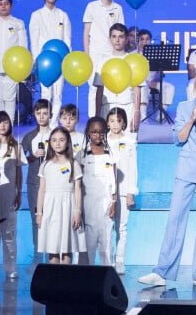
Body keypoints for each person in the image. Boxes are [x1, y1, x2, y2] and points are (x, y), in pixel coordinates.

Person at [138, 70, 196, 287]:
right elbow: (178, 138)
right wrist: (192, 119)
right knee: (175, 219)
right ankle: (162, 272)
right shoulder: (184, 108)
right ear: (195, 87)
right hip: (187, 167)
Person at [0, 111, 27, 280]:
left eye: (6, 122)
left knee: (9, 236)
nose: (3, 125)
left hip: (10, 195)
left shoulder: (16, 147)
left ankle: (11, 268)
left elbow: (19, 172)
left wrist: (18, 193)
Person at [36, 127, 85, 264]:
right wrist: (39, 213)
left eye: (61, 140)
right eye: (54, 140)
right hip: (50, 208)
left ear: (67, 142)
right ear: (50, 143)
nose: (57, 143)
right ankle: (55, 281)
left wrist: (77, 212)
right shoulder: (45, 165)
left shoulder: (74, 164)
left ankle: (66, 280)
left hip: (68, 207)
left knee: (67, 245)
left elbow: (78, 190)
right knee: (53, 247)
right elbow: (41, 190)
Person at [29, 0, 72, 127]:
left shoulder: (63, 15)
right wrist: (36, 58)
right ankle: (43, 124)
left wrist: (67, 59)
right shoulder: (37, 15)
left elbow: (67, 39)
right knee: (46, 94)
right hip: (45, 61)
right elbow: (34, 40)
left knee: (58, 94)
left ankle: (53, 124)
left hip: (60, 60)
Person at [82, 0, 125, 117]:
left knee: (113, 86)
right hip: (95, 52)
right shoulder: (92, 6)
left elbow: (121, 30)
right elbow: (86, 32)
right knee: (94, 87)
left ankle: (112, 119)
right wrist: (87, 54)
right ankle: (93, 119)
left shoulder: (118, 8)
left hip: (112, 53)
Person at [80, 116, 117, 266]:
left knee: (106, 243)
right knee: (89, 244)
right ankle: (87, 276)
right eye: (94, 132)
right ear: (88, 133)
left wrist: (114, 202)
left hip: (106, 203)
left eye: (101, 132)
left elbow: (114, 180)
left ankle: (107, 274)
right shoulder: (83, 154)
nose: (97, 135)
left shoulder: (111, 153)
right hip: (88, 203)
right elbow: (79, 183)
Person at [106, 107, 138, 275]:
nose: (115, 124)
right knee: (108, 226)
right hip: (106, 192)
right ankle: (108, 260)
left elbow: (133, 168)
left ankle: (119, 261)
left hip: (125, 189)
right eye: (111, 121)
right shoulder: (104, 142)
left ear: (124, 122)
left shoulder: (130, 141)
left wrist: (131, 192)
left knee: (122, 227)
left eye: (118, 121)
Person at [93, 24, 141, 133]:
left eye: (121, 36)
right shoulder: (103, 62)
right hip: (107, 108)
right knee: (107, 145)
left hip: (128, 107)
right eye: (114, 36)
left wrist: (137, 112)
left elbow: (137, 89)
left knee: (129, 144)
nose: (117, 40)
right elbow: (99, 90)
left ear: (126, 38)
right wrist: (97, 115)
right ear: (110, 39)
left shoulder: (133, 60)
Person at [21, 99, 52, 262]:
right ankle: (37, 253)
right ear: (34, 114)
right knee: (36, 218)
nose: (41, 117)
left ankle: (51, 251)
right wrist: (33, 156)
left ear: (50, 115)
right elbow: (20, 159)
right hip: (34, 182)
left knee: (51, 218)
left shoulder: (56, 135)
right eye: (38, 113)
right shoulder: (29, 137)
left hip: (53, 183)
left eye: (45, 113)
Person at [137, 29, 175, 121]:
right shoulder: (133, 55)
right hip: (140, 82)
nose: (145, 42)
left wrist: (155, 80)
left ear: (150, 40)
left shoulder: (156, 53)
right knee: (143, 86)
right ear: (138, 41)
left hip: (154, 81)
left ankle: (161, 115)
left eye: (147, 39)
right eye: (142, 39)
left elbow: (161, 72)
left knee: (170, 87)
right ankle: (143, 116)